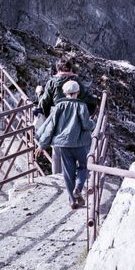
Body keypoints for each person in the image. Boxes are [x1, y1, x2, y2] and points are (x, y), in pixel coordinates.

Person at [35, 80, 95, 209]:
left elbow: (50, 126)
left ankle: (72, 200)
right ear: (78, 92)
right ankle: (78, 188)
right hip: (80, 144)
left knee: (68, 172)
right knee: (84, 167)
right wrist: (93, 124)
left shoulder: (58, 107)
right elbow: (86, 125)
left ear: (64, 92)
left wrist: (42, 144)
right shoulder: (82, 106)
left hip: (63, 145)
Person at [38, 57, 97, 174]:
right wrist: (89, 115)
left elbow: (44, 103)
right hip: (75, 123)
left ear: (57, 68)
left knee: (57, 153)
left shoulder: (52, 83)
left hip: (58, 121)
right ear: (71, 68)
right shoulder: (76, 83)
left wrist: (39, 93)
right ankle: (71, 176)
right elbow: (89, 100)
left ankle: (57, 176)